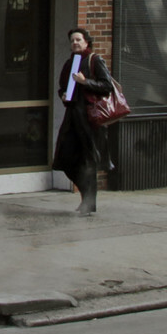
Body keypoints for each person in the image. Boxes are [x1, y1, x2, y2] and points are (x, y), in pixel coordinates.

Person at [53, 27, 114, 216]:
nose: (75, 43)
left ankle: (88, 204)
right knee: (65, 158)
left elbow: (107, 86)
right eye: (72, 40)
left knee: (89, 162)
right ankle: (87, 197)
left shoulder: (94, 60)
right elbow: (63, 88)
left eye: (78, 39)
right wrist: (63, 95)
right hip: (73, 117)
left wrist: (85, 81)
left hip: (90, 119)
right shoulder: (69, 63)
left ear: (86, 42)